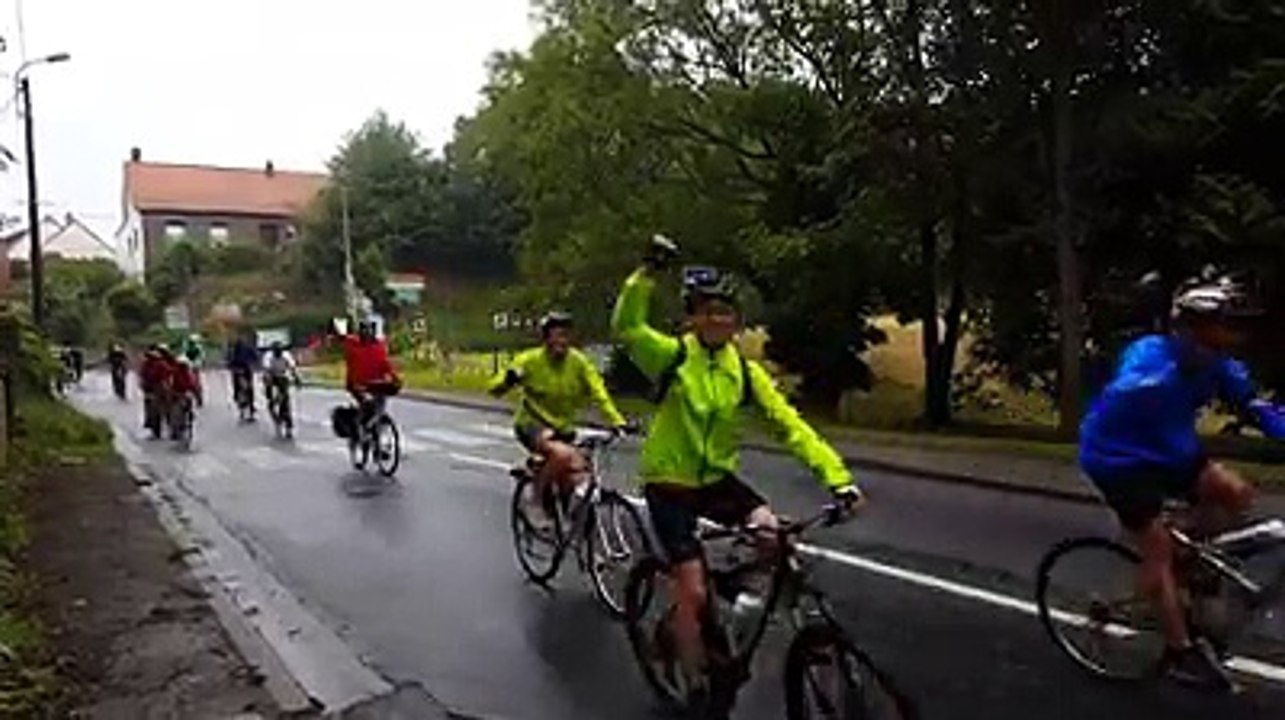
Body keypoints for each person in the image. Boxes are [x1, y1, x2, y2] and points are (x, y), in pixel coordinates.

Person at [611, 235, 864, 702]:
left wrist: (838, 479)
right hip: (669, 484)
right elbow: (627, 327)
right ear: (692, 317)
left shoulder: (744, 372)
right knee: (691, 591)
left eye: (727, 312)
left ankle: (737, 599)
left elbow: (792, 426)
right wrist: (646, 274)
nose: (719, 320)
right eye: (708, 311)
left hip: (716, 481)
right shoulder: (673, 357)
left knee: (774, 536)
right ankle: (696, 682)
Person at [1080, 272, 1285, 687]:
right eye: (1226, 324)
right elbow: (1126, 385)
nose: (1235, 333)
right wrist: (1153, 383)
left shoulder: (1219, 366)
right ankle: (1179, 651)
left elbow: (1258, 408)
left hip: (1172, 450)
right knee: (1155, 547)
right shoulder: (1150, 355)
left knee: (1235, 492)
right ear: (1195, 328)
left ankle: (1190, 556)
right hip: (1118, 458)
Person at [489, 311, 629, 515]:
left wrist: (618, 421)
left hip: (563, 427)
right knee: (561, 455)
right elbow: (493, 389)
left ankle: (563, 518)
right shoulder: (529, 360)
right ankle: (535, 501)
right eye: (556, 336)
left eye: (565, 336)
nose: (561, 341)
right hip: (532, 423)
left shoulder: (578, 362)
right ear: (546, 339)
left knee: (577, 473)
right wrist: (508, 381)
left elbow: (599, 392)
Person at [334, 318, 400, 430]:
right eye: (365, 331)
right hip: (360, 385)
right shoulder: (354, 345)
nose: (367, 334)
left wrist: (394, 378)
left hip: (375, 384)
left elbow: (385, 364)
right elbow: (385, 365)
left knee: (376, 405)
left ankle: (370, 426)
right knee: (367, 405)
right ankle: (360, 427)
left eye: (369, 331)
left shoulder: (377, 346)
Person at [262, 340, 300, 419]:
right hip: (271, 374)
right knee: (268, 384)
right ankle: (271, 402)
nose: (278, 354)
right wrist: (268, 381)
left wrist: (296, 379)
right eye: (276, 352)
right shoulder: (268, 356)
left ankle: (286, 414)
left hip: (282, 375)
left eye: (279, 351)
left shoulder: (286, 355)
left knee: (285, 394)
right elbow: (266, 370)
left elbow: (292, 368)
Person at [226, 332, 260, 418]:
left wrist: (254, 363)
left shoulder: (243, 348)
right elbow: (228, 359)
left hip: (244, 370)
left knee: (247, 387)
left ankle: (250, 405)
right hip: (239, 370)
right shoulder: (233, 349)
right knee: (241, 387)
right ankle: (247, 404)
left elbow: (255, 357)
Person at [139, 344, 171, 435]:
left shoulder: (162, 364)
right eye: (150, 357)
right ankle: (153, 426)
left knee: (163, 407)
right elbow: (142, 376)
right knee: (150, 408)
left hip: (159, 388)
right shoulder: (146, 365)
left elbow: (168, 374)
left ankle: (166, 423)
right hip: (150, 388)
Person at [181, 334, 206, 406]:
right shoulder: (186, 347)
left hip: (195, 365)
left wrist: (198, 363)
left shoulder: (198, 348)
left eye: (193, 341)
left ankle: (198, 396)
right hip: (188, 364)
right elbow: (183, 355)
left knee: (196, 381)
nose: (192, 343)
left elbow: (201, 357)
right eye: (191, 341)